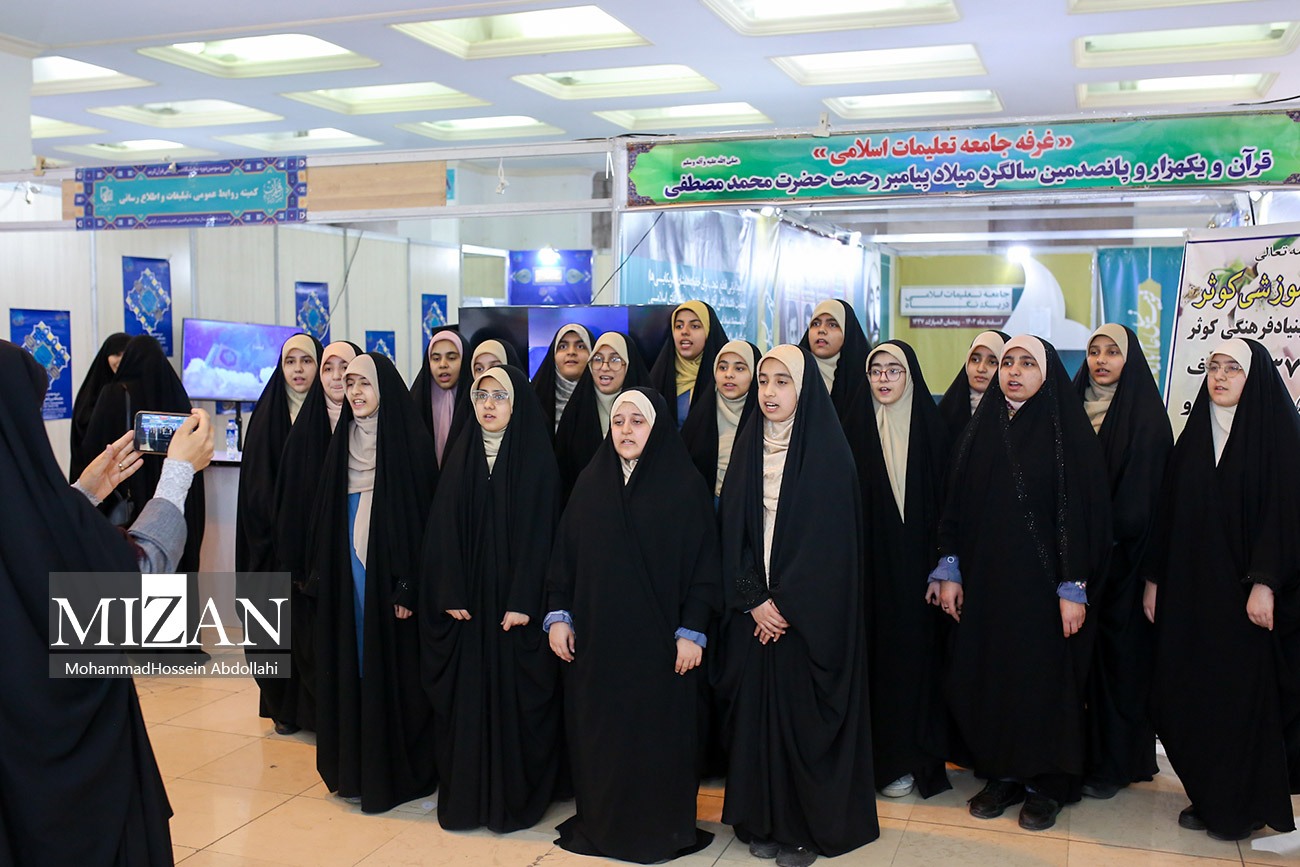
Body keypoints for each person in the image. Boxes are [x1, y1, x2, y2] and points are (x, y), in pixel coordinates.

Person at [1, 339, 212, 867]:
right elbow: (134, 578)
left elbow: (31, 545)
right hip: (63, 783)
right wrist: (177, 476)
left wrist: (81, 495)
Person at [931, 335, 1111, 832]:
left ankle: (1046, 785)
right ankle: (1003, 774)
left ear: (1047, 373)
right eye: (1008, 362)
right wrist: (949, 568)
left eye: (1027, 363)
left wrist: (1073, 586)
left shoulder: (1066, 433)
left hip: (1045, 592)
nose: (1012, 371)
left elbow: (1082, 515)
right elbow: (955, 501)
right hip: (988, 586)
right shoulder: (981, 428)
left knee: (1043, 685)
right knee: (993, 677)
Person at [718, 345, 879, 867]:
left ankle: (805, 828)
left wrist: (784, 606)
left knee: (802, 721)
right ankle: (763, 819)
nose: (769, 392)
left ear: (804, 389)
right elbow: (732, 532)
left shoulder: (829, 454)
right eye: (764, 380)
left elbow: (832, 549)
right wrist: (754, 600)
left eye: (782, 381)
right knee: (757, 722)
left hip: (806, 620)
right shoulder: (749, 445)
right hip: (757, 614)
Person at [545, 387, 720, 863]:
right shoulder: (590, 482)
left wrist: (692, 630)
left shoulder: (684, 486)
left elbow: (706, 568)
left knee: (658, 743)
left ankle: (661, 829)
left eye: (637, 421)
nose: (625, 430)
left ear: (656, 427)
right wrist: (559, 616)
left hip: (662, 650)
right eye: (618, 421)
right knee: (602, 740)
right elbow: (564, 558)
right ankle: (604, 825)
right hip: (599, 647)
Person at [1143, 338, 1300, 841]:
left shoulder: (1278, 437)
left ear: (1253, 378)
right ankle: (1209, 793)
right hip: (1191, 595)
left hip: (1245, 599)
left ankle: (1241, 805)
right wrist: (1154, 579)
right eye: (1214, 367)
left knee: (1239, 702)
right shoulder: (1194, 437)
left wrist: (1266, 583)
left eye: (1234, 368)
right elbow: (1168, 513)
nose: (1221, 376)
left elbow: (1285, 516)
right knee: (1191, 694)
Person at [421, 365, 562, 832]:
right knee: (467, 706)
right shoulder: (462, 454)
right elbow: (441, 530)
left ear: (516, 403)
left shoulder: (536, 460)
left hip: (514, 612)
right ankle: (468, 801)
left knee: (514, 707)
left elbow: (544, 537)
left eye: (500, 396)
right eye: (482, 395)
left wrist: (524, 599)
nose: (489, 404)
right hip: (469, 610)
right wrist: (449, 588)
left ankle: (510, 803)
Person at [308, 353, 439, 813]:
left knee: (389, 666)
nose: (356, 392)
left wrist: (409, 584)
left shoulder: (409, 442)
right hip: (348, 578)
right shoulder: (341, 442)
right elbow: (324, 516)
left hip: (390, 582)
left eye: (364, 383)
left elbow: (425, 523)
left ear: (383, 387)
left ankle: (393, 770)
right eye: (349, 384)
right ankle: (355, 768)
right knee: (354, 663)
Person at [843, 341, 951, 800]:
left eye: (894, 370)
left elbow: (950, 507)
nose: (883, 379)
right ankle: (878, 759)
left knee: (915, 662)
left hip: (920, 575)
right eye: (876, 371)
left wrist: (945, 566)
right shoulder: (851, 429)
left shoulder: (933, 429)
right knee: (874, 661)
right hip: (867, 574)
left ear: (910, 377)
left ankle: (911, 756)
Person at [1070, 324, 1172, 799]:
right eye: (1094, 351)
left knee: (1119, 665)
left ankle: (1116, 763)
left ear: (1128, 359)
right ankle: (1076, 755)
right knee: (1078, 664)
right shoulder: (1069, 408)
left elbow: (1148, 504)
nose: (1101, 360)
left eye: (1112, 352)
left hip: (1126, 567)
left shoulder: (1146, 419)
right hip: (1076, 564)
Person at [271, 340, 362, 736]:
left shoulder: (369, 425)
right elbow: (289, 504)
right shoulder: (305, 431)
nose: (336, 377)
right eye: (328, 368)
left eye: (346, 368)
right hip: (311, 566)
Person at [235, 333, 321, 735]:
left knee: (312, 634)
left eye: (307, 361)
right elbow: (256, 487)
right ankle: (282, 708)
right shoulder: (267, 415)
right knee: (273, 630)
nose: (299, 369)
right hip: (269, 547)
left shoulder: (330, 412)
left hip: (314, 550)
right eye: (291, 361)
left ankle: (315, 712)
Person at [80, 334, 207, 572]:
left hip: (130, 495)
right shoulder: (177, 395)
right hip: (175, 498)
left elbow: (92, 446)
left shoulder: (113, 393)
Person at [553, 331, 649, 501]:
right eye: (597, 359)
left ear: (629, 365)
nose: (604, 367)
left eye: (615, 359)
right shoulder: (574, 413)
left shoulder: (648, 410)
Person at [679, 339, 761, 500]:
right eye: (722, 367)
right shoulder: (699, 418)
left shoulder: (765, 419)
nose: (728, 374)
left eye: (739, 368)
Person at [647, 301, 729, 429]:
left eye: (695, 326)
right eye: (679, 326)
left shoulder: (725, 378)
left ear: (708, 331)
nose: (684, 332)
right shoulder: (659, 378)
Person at [69, 331, 130, 479]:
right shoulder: (93, 388)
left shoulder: (139, 389)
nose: (120, 360)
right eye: (116, 354)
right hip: (95, 467)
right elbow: (82, 425)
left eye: (125, 355)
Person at [796, 299, 870, 419]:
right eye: (815, 324)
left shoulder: (866, 378)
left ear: (847, 332)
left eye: (832, 325)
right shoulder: (793, 373)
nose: (821, 330)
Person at [936, 330, 1009, 447]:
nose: (981, 369)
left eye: (992, 362)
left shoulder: (1011, 415)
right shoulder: (945, 413)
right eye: (975, 360)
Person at [409, 328, 468, 468]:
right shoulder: (415, 404)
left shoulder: (476, 404)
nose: (443, 365)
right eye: (436, 359)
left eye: (451, 358)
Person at [532, 323, 593, 436]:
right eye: (563, 347)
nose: (571, 352)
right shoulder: (533, 400)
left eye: (580, 346)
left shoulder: (602, 400)